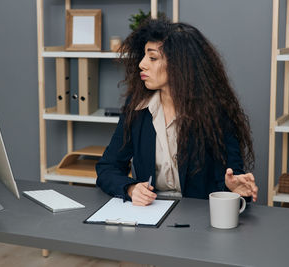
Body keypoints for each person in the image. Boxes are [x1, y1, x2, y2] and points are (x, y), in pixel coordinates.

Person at [96, 18, 258, 206]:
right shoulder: (137, 107)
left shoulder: (215, 112)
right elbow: (108, 167)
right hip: (150, 215)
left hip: (198, 221)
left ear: (179, 65)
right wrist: (131, 189)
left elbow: (233, 177)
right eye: (143, 56)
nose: (141, 64)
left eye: (153, 58)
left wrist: (232, 189)